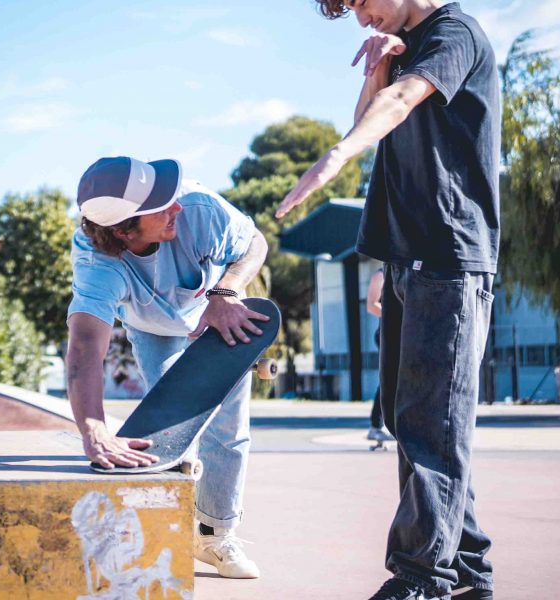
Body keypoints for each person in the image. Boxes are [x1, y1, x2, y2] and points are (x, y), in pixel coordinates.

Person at [276, 1, 500, 599]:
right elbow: (374, 119)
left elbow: (400, 104)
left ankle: (421, 578)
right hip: (409, 259)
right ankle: (467, 572)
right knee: (413, 423)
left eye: (361, 1)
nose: (361, 19)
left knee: (431, 425)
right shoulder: (401, 47)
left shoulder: (454, 34)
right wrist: (376, 71)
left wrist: (335, 156)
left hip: (450, 258)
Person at [67, 155, 269, 579]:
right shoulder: (97, 263)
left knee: (228, 425)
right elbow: (85, 347)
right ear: (123, 231)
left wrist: (228, 290)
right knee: (170, 428)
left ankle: (214, 535)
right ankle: (169, 521)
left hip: (217, 310)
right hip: (151, 325)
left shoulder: (199, 208)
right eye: (160, 207)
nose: (175, 207)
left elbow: (255, 244)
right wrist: (94, 429)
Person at [366, 267, 393, 442]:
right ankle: (376, 426)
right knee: (389, 380)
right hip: (387, 333)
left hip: (405, 333)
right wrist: (397, 314)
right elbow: (371, 306)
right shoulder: (380, 275)